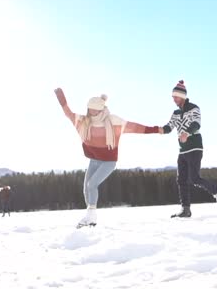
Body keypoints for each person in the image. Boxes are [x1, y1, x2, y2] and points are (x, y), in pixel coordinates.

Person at [54, 88, 162, 227]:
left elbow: (135, 128)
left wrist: (156, 129)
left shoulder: (113, 121)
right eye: (90, 109)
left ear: (101, 109)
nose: (91, 112)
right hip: (94, 160)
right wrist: (61, 97)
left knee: (92, 184)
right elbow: (68, 113)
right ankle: (90, 218)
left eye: (94, 110)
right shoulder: (84, 122)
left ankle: (91, 216)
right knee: (86, 189)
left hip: (108, 162)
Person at [155, 80, 217, 218]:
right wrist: (159, 129)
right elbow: (169, 127)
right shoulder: (176, 113)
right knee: (181, 180)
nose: (173, 99)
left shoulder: (194, 108)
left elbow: (196, 124)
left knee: (194, 178)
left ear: (182, 96)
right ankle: (185, 209)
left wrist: (187, 133)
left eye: (175, 97)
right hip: (182, 150)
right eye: (172, 97)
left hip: (195, 147)